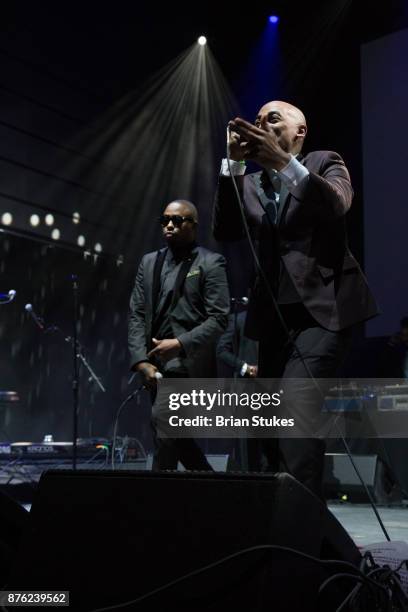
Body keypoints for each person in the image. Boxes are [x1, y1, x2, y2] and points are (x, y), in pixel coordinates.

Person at [212, 100, 378, 498]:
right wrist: (234, 165)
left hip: (324, 314)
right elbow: (226, 229)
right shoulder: (250, 183)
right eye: (255, 122)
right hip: (273, 321)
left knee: (298, 414)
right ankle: (279, 523)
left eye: (272, 119)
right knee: (269, 425)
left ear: (299, 131)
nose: (260, 125)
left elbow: (336, 204)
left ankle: (299, 535)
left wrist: (284, 163)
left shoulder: (323, 162)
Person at [128, 199, 230, 470]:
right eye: (165, 220)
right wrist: (141, 361)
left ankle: (160, 504)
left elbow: (220, 318)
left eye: (177, 220)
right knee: (177, 437)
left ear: (193, 226)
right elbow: (137, 314)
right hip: (155, 364)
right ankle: (217, 493)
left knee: (166, 432)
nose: (169, 225)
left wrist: (180, 343)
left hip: (189, 365)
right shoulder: (149, 262)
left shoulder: (211, 262)